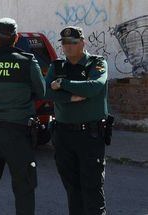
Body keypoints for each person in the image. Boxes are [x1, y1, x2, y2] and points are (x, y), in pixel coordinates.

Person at [0, 17, 45, 215]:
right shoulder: (27, 62)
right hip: (19, 133)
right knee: (24, 191)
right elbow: (41, 92)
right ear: (16, 38)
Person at [45, 26, 109, 215]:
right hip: (63, 134)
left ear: (82, 43)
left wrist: (63, 85)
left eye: (73, 43)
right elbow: (45, 91)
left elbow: (94, 87)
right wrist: (69, 97)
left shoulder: (96, 63)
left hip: (90, 134)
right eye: (64, 43)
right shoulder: (57, 66)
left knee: (92, 187)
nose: (68, 47)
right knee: (72, 189)